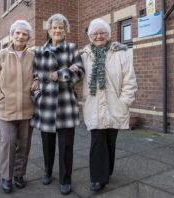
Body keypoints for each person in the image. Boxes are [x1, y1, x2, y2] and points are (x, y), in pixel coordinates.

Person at [30, 13, 85, 195]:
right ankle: (47, 171)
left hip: (65, 105)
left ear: (65, 30)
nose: (57, 30)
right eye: (54, 27)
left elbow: (80, 73)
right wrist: (38, 95)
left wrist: (60, 74)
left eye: (61, 28)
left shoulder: (71, 49)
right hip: (45, 104)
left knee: (66, 146)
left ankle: (65, 179)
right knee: (47, 144)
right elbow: (34, 79)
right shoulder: (38, 51)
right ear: (48, 30)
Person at [81, 18, 137, 191]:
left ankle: (107, 170)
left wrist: (124, 102)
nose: (98, 36)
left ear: (108, 34)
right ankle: (98, 178)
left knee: (110, 141)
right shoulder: (83, 56)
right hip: (93, 105)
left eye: (102, 33)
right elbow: (73, 74)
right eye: (95, 33)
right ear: (90, 36)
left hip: (115, 105)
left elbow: (130, 81)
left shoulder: (121, 54)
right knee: (97, 141)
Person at [0, 20, 35, 194]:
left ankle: (19, 174)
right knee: (8, 143)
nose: (21, 36)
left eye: (24, 34)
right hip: (6, 110)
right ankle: (6, 177)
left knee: (24, 145)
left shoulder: (33, 56)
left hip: (27, 109)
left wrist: (37, 82)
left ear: (28, 37)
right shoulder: (1, 55)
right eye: (18, 33)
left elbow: (38, 76)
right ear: (12, 34)